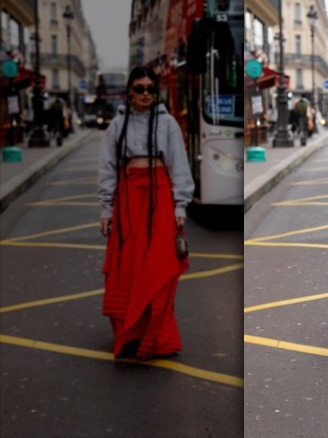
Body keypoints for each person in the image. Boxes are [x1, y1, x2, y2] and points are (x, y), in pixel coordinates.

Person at [97, 66, 195, 360]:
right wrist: (106, 210)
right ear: (129, 91)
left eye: (150, 89)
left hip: (159, 198)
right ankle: (130, 335)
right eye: (139, 88)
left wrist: (180, 205)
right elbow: (107, 170)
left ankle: (158, 337)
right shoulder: (116, 126)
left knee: (158, 266)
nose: (145, 94)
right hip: (128, 200)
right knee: (126, 267)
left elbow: (179, 166)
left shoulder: (168, 124)